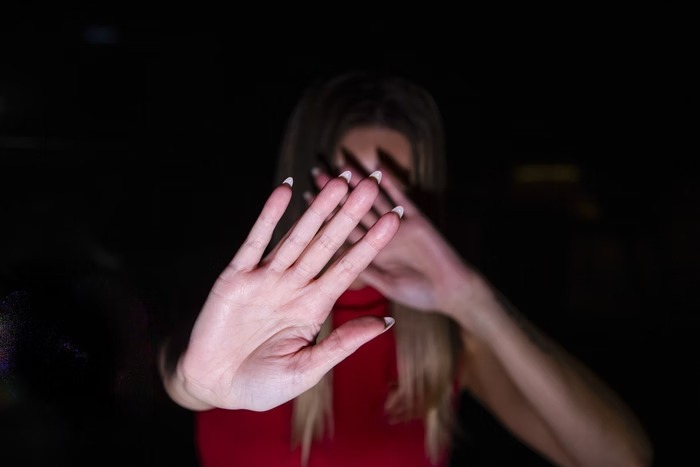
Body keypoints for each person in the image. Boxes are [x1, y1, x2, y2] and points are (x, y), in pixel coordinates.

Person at [158, 70, 653, 467]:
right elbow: (183, 372)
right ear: (313, 184)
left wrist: (474, 301)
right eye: (357, 185)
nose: (373, 213)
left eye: (399, 192)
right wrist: (192, 384)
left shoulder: (447, 338)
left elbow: (622, 459)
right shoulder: (240, 300)